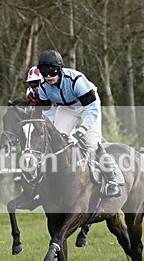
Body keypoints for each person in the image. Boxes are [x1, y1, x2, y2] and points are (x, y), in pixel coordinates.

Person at [35, 49, 122, 198]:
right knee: (53, 141)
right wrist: (53, 128)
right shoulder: (43, 86)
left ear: (60, 69)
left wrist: (80, 131)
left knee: (92, 143)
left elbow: (92, 110)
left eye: (52, 72)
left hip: (87, 107)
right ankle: (43, 183)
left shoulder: (76, 80)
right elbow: (47, 112)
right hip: (66, 108)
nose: (48, 76)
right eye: (44, 73)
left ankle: (111, 180)